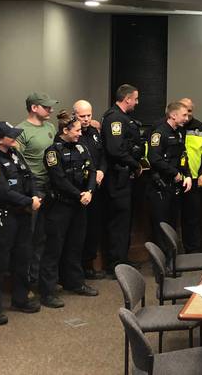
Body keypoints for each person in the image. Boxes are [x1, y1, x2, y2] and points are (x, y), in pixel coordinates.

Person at [0, 122, 43, 325]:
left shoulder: (15, 153)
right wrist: (29, 201)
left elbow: (29, 177)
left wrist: (35, 195)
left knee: (23, 258)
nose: (15, 137)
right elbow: (2, 192)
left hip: (22, 215)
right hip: (2, 216)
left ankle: (21, 299)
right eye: (11, 135)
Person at [39, 111, 99, 309]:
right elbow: (59, 179)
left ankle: (75, 282)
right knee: (54, 248)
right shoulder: (52, 151)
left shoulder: (81, 147)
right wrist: (79, 194)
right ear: (65, 130)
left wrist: (89, 190)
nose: (80, 134)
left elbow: (91, 170)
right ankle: (47, 291)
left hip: (80, 204)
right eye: (77, 130)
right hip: (60, 205)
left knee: (76, 245)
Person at [16, 92, 58, 287]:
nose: (50, 110)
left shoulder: (50, 127)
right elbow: (17, 163)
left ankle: (40, 279)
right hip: (33, 189)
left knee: (44, 237)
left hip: (51, 187)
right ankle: (26, 284)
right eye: (46, 106)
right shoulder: (21, 131)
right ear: (34, 108)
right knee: (29, 238)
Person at [101, 84, 143, 276]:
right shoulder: (115, 118)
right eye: (135, 99)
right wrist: (135, 164)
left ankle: (122, 259)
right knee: (118, 220)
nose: (137, 102)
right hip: (116, 177)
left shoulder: (123, 118)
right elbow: (115, 149)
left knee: (124, 220)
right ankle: (115, 263)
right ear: (127, 99)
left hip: (124, 176)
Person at [146, 101, 192, 254]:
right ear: (173, 115)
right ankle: (162, 262)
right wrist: (175, 173)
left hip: (174, 186)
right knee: (161, 225)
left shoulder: (178, 132)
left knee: (172, 224)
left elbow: (182, 157)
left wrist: (186, 175)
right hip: (160, 186)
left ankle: (172, 259)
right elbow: (154, 159)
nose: (187, 118)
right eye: (184, 115)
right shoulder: (159, 133)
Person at [74, 100, 108, 280]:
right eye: (82, 116)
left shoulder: (95, 132)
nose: (86, 120)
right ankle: (77, 268)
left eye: (89, 115)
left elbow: (103, 155)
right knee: (80, 230)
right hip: (81, 189)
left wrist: (102, 171)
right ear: (75, 115)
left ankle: (89, 265)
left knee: (94, 227)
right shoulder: (72, 134)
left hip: (97, 188)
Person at [178, 98, 202, 253]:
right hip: (174, 179)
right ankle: (170, 255)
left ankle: (191, 252)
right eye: (184, 111)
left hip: (194, 181)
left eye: (190, 111)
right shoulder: (171, 126)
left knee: (192, 219)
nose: (187, 115)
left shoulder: (200, 128)